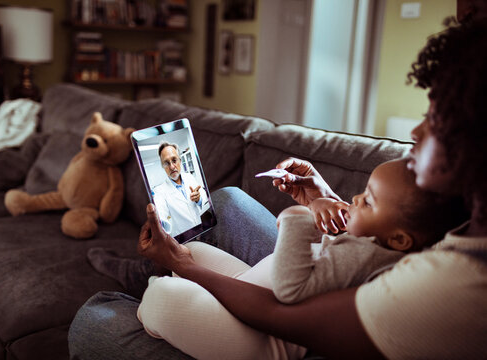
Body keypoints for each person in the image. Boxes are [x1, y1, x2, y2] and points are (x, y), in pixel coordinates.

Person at [68, 10, 487, 360]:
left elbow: (282, 313)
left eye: (437, 118)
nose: (417, 130)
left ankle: (156, 286)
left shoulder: (457, 287)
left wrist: (185, 268)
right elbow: (381, 246)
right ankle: (157, 273)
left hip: (288, 331)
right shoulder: (456, 214)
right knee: (228, 201)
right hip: (306, 286)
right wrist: (326, 199)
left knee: (94, 320)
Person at [133, 158, 467, 360]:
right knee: (200, 248)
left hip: (266, 337)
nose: (355, 198)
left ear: (398, 240)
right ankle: (159, 276)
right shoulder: (381, 245)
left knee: (161, 296)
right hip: (258, 286)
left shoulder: (370, 260)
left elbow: (290, 289)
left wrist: (300, 216)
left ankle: (149, 291)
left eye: (368, 201)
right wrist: (325, 203)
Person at [153, 141, 207, 237]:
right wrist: (158, 221)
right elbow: (160, 213)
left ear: (180, 160)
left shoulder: (189, 177)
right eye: (166, 163)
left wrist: (199, 199)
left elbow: (203, 196)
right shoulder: (160, 191)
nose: (172, 166)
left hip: (202, 229)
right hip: (185, 239)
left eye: (174, 160)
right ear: (163, 167)